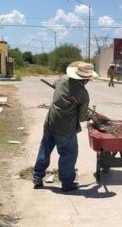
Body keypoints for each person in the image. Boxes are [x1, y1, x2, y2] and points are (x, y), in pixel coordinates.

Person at [33, 61, 98, 191]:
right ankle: (67, 183)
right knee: (68, 154)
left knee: (45, 149)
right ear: (85, 79)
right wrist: (90, 116)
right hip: (66, 128)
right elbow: (81, 117)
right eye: (88, 79)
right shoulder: (83, 94)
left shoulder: (63, 79)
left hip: (51, 122)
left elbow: (56, 84)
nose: (88, 81)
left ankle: (37, 177)